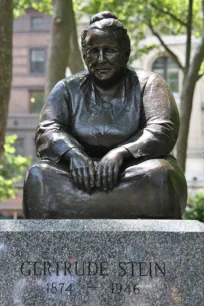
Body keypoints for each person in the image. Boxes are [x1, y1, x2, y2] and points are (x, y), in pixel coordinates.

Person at [23, 11, 187, 219]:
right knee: (39, 176)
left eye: (109, 51)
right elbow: (47, 130)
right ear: (84, 55)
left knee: (160, 174)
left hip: (132, 173)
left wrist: (120, 153)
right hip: (79, 177)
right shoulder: (67, 88)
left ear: (125, 53)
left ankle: (87, 204)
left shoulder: (149, 84)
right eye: (93, 51)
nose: (100, 59)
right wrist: (73, 154)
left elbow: (163, 130)